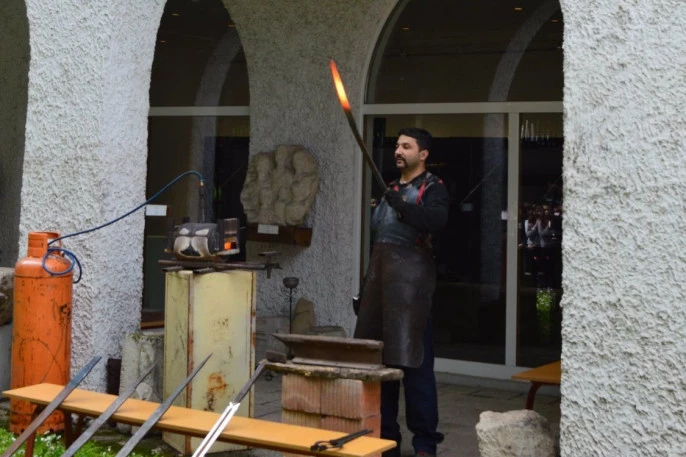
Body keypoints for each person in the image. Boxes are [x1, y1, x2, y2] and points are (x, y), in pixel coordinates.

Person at [354, 127, 449, 457]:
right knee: (381, 369)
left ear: (423, 154)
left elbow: (437, 220)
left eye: (406, 146)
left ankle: (425, 444)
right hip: (380, 286)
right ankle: (387, 440)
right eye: (397, 145)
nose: (398, 151)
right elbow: (380, 243)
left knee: (415, 367)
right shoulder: (390, 189)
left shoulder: (433, 187)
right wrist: (366, 288)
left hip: (412, 291)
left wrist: (404, 206)